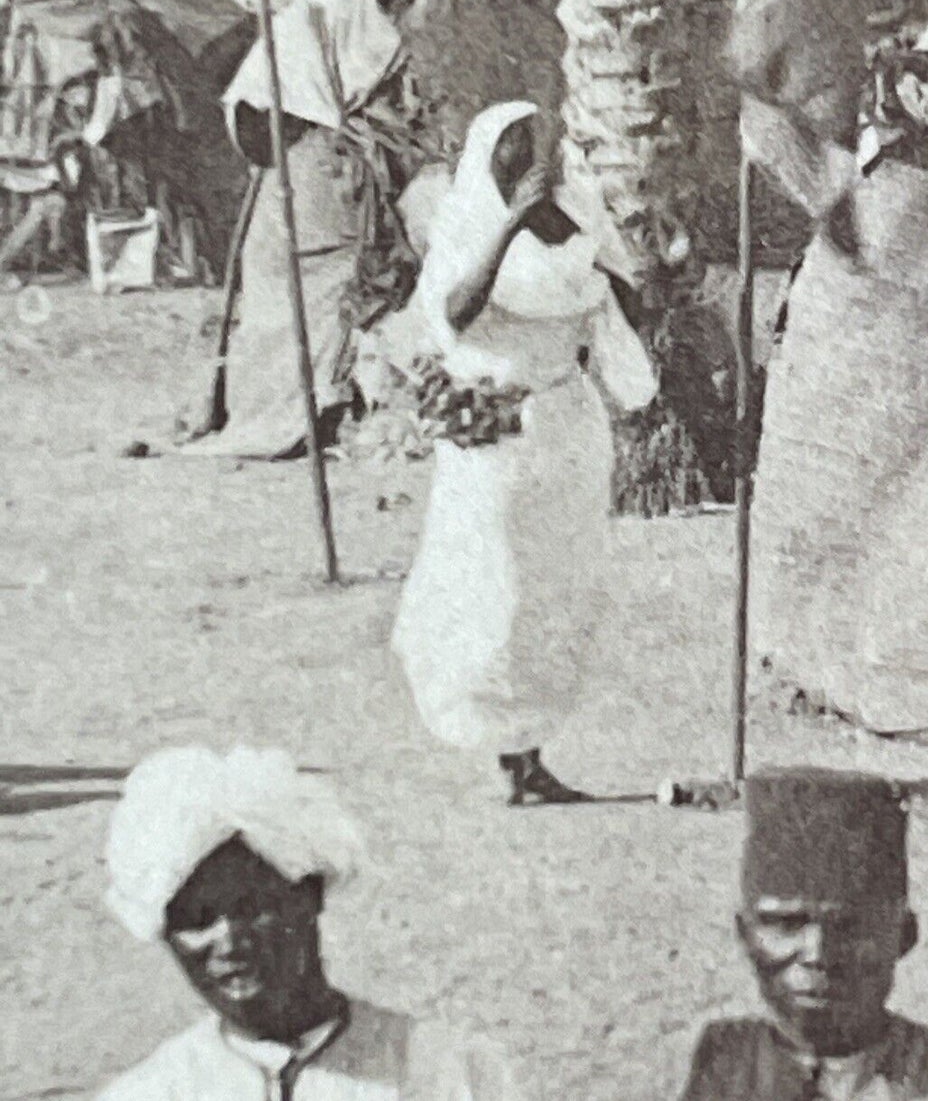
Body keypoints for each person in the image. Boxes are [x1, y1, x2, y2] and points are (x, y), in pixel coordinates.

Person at [391, 100, 657, 804]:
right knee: (496, 589)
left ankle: (531, 756)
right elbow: (454, 311)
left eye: (536, 143)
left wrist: (593, 242)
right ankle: (506, 751)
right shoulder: (469, 226)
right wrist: (510, 225)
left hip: (564, 428)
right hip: (497, 431)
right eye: (514, 147)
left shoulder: (571, 220)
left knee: (554, 594)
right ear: (488, 158)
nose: (530, 158)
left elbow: (629, 306)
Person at [97, 745, 522, 1101]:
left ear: (309, 895)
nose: (230, 940)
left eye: (252, 906)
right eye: (197, 920)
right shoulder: (153, 1091)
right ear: (166, 936)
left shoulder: (447, 1070)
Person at [681, 767, 928, 1101]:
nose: (818, 953)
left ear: (904, 936)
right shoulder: (718, 1062)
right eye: (786, 924)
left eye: (850, 927)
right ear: (745, 933)